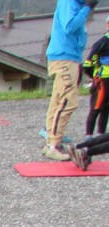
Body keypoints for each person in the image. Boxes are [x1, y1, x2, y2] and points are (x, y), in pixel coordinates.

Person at [41, 0, 98, 161]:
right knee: (68, 101)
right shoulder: (69, 2)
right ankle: (53, 144)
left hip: (69, 57)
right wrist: (87, 8)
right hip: (64, 58)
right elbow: (70, 27)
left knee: (58, 101)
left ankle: (52, 141)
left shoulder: (75, 4)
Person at [82, 16, 109, 140]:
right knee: (96, 107)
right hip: (101, 80)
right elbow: (87, 64)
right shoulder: (101, 43)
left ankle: (101, 135)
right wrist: (95, 76)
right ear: (107, 25)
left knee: (106, 108)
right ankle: (89, 136)